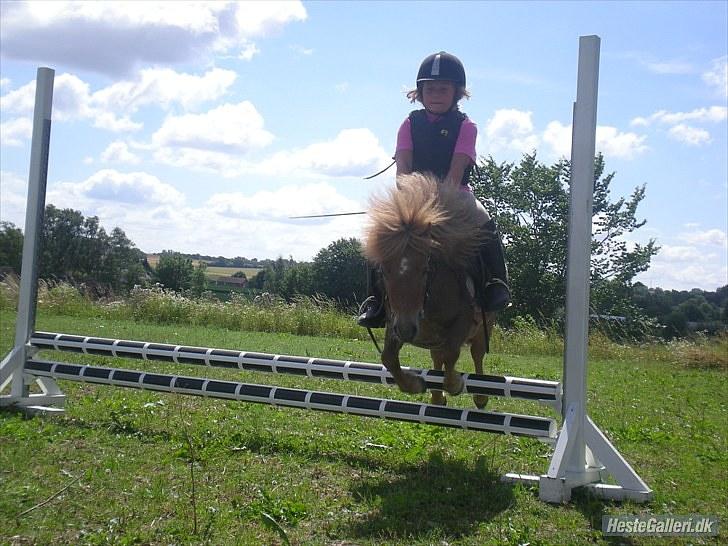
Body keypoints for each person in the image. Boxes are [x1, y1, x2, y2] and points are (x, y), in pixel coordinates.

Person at [358, 51, 510, 328]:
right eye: (430, 88)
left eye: (443, 88)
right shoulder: (408, 124)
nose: (436, 94)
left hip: (456, 198)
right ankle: (375, 300)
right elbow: (403, 168)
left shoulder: (466, 126)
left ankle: (495, 283)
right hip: (412, 202)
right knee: (381, 235)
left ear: (456, 93)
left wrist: (435, 204)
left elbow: (455, 173)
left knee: (485, 220)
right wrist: (406, 205)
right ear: (420, 91)